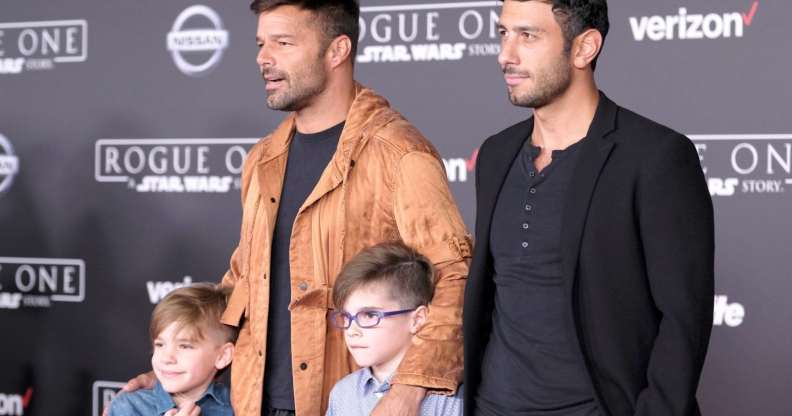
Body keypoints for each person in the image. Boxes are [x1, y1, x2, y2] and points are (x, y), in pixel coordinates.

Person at [115, 0, 471, 415]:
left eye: (283, 43)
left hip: (350, 401)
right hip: (252, 401)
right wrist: (177, 372)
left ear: (337, 51)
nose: (263, 58)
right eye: (261, 44)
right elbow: (243, 284)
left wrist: (408, 390)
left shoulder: (398, 153)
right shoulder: (263, 158)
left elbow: (453, 278)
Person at [463, 1, 714, 415]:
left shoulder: (654, 156)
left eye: (528, 36)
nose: (506, 55)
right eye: (503, 33)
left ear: (584, 47)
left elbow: (683, 320)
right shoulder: (495, 154)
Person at [325, 242, 463, 416]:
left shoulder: (450, 401)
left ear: (417, 319)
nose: (352, 331)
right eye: (346, 316)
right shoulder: (342, 393)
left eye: (370, 315)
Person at [109, 283, 237, 416]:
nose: (166, 358)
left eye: (184, 346)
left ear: (223, 356)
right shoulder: (128, 407)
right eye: (160, 344)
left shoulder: (238, 408)